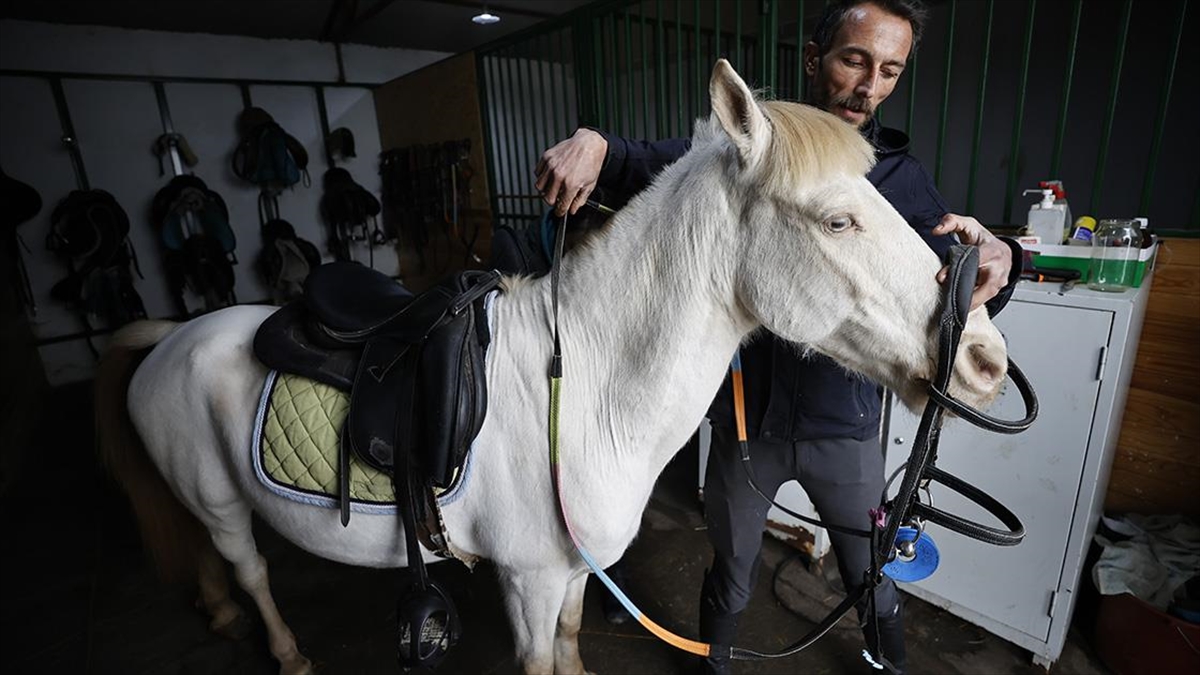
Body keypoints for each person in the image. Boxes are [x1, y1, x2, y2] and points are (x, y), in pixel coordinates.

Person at [532, 1, 1022, 673]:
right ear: (814, 58)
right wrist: (598, 144)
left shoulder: (902, 179)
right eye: (854, 59)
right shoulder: (762, 148)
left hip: (841, 426)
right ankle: (716, 661)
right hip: (747, 423)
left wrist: (1003, 253)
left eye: (889, 70)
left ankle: (891, 664)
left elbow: (950, 279)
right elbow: (660, 164)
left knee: (867, 570)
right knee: (730, 560)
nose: (868, 85)